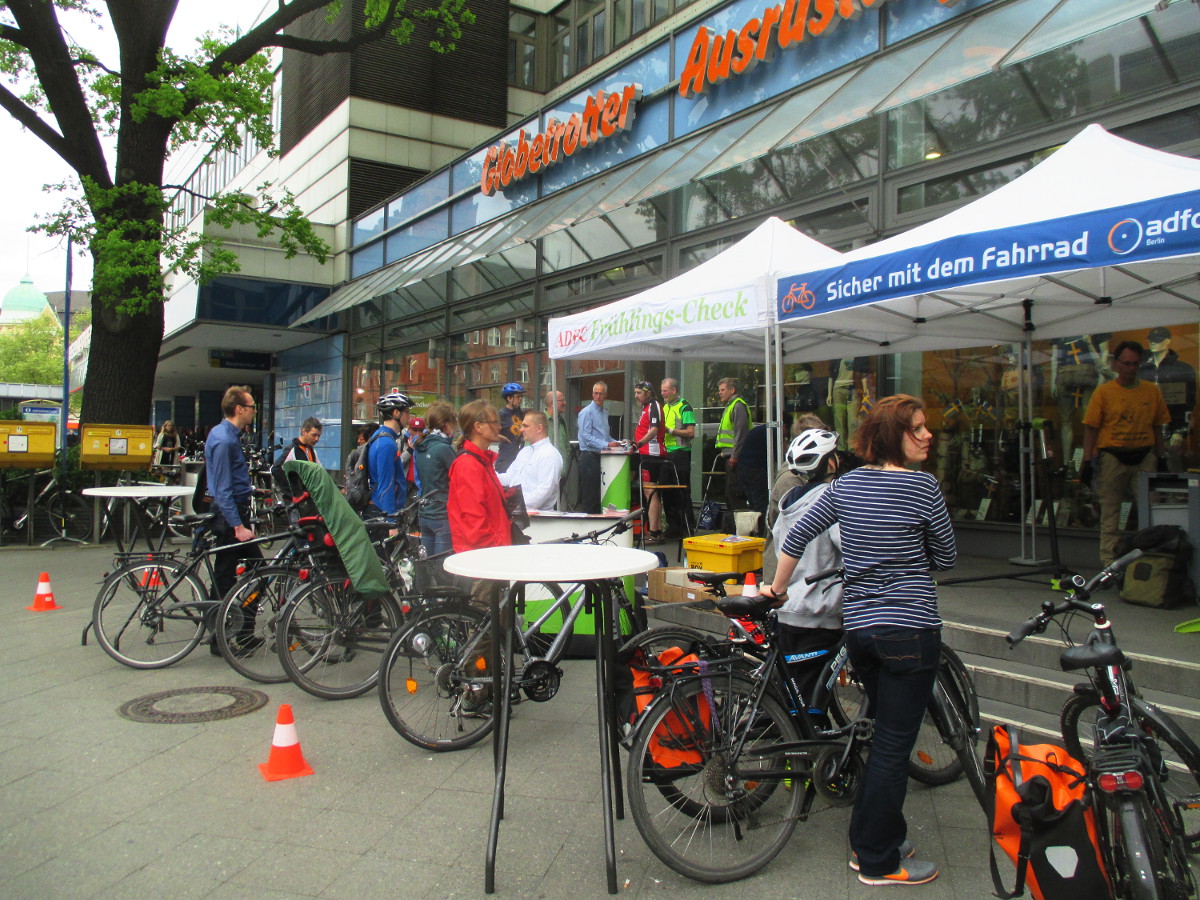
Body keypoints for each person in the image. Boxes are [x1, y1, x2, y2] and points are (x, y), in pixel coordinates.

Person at [762, 394, 956, 886]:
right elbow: (947, 557)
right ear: (895, 436)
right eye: (918, 428)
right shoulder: (924, 489)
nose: (928, 435)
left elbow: (796, 534)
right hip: (910, 631)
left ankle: (878, 833)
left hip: (862, 631)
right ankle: (876, 858)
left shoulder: (847, 484)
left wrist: (777, 589)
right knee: (893, 747)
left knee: (880, 733)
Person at [770, 429, 859, 723]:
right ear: (831, 463)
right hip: (819, 613)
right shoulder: (832, 500)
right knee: (811, 705)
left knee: (792, 695)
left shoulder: (788, 503)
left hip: (787, 609)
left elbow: (781, 551)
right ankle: (805, 759)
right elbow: (851, 550)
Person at [1081, 341, 1170, 565]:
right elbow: (1091, 427)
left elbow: (1157, 426)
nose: (1130, 368)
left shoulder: (1151, 390)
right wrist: (1087, 460)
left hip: (1144, 455)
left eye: (1135, 364)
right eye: (1126, 363)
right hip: (1113, 456)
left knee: (1150, 510)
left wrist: (1161, 456)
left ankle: (1150, 561)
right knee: (1110, 514)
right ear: (1115, 364)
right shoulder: (1104, 392)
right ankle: (1109, 563)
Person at [203, 385, 264, 653]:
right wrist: (238, 526)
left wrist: (251, 489)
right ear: (239, 409)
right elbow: (223, 489)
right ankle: (230, 636)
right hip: (232, 516)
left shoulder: (225, 435)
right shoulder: (225, 440)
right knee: (257, 572)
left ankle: (232, 634)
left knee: (227, 574)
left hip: (234, 511)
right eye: (251, 407)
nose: (254, 411)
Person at [1140, 327, 1195, 472]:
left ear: (1168, 342)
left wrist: (1180, 431)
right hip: (1143, 430)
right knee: (1146, 472)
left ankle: (1175, 494)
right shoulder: (1141, 369)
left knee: (1173, 469)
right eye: (1151, 339)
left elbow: (1188, 403)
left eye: (1157, 340)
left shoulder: (1183, 369)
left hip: (1170, 428)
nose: (1153, 343)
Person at [413, 403, 456, 556]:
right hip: (442, 514)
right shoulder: (443, 448)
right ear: (446, 424)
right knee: (441, 568)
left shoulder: (420, 447)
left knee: (427, 566)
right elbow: (457, 478)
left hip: (425, 513)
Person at [498, 411, 562, 511]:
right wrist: (488, 474)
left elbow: (545, 490)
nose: (521, 429)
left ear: (539, 428)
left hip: (539, 519)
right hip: (517, 512)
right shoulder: (524, 451)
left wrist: (516, 505)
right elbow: (509, 477)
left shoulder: (550, 454)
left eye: (525, 426)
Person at [365, 391, 412, 523]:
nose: (409, 417)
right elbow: (386, 484)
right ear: (396, 413)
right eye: (407, 412)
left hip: (379, 508)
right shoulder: (387, 444)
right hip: (381, 510)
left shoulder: (380, 436)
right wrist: (390, 520)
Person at [660, 377, 696, 537]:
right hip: (666, 454)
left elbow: (690, 432)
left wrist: (670, 431)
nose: (663, 394)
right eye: (662, 391)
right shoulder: (665, 407)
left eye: (665, 391)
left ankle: (687, 527)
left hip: (681, 453)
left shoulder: (685, 406)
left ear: (674, 390)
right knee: (667, 492)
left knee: (682, 490)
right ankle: (673, 526)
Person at [631, 381, 665, 542]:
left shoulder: (654, 406)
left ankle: (654, 531)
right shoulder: (647, 408)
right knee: (650, 491)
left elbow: (654, 429)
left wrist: (639, 444)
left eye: (639, 393)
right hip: (646, 454)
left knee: (650, 491)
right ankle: (656, 529)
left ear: (648, 393)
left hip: (652, 454)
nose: (636, 396)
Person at [577, 380, 619, 513]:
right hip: (589, 457)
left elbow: (604, 437)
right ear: (592, 394)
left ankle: (596, 524)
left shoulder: (604, 413)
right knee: (590, 496)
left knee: (598, 495)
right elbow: (586, 437)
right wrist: (607, 444)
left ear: (605, 395)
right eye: (595, 393)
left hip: (600, 457)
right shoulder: (586, 412)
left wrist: (617, 443)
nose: (598, 396)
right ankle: (588, 529)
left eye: (601, 393)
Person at [715, 376, 751, 511]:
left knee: (735, 494)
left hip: (735, 457)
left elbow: (741, 433)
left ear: (732, 390)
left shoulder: (737, 406)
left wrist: (735, 455)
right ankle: (732, 527)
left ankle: (737, 527)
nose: (720, 392)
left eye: (723, 390)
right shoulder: (731, 406)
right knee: (730, 494)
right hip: (730, 455)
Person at [271, 417, 321, 490]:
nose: (317, 439)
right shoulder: (292, 449)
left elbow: (319, 471)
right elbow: (275, 469)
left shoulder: (311, 451)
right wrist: (294, 491)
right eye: (314, 435)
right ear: (304, 432)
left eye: (318, 436)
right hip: (295, 500)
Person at [496, 382, 527, 474]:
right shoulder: (502, 414)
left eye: (521, 396)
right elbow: (489, 431)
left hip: (518, 458)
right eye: (517, 397)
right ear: (509, 398)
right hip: (506, 460)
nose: (520, 399)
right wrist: (500, 437)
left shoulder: (519, 413)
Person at [544, 390, 569, 460]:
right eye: (562, 400)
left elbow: (567, 447)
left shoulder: (562, 422)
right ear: (552, 403)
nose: (565, 403)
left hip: (562, 469)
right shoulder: (539, 421)